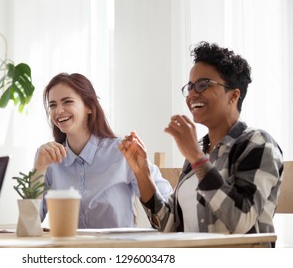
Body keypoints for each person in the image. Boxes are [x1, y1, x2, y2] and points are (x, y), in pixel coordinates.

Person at [119, 42, 283, 238]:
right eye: (190, 86)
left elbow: (241, 222)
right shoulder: (198, 151)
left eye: (203, 85)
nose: (192, 94)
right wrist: (142, 172)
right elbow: (169, 226)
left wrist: (197, 159)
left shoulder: (258, 143)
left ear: (233, 95)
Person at [34, 73, 173, 228]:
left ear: (89, 106)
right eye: (52, 105)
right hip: (70, 251)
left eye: (67, 102)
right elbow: (29, 223)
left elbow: (168, 211)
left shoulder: (123, 152)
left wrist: (143, 171)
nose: (58, 111)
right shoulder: (49, 160)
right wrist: (38, 169)